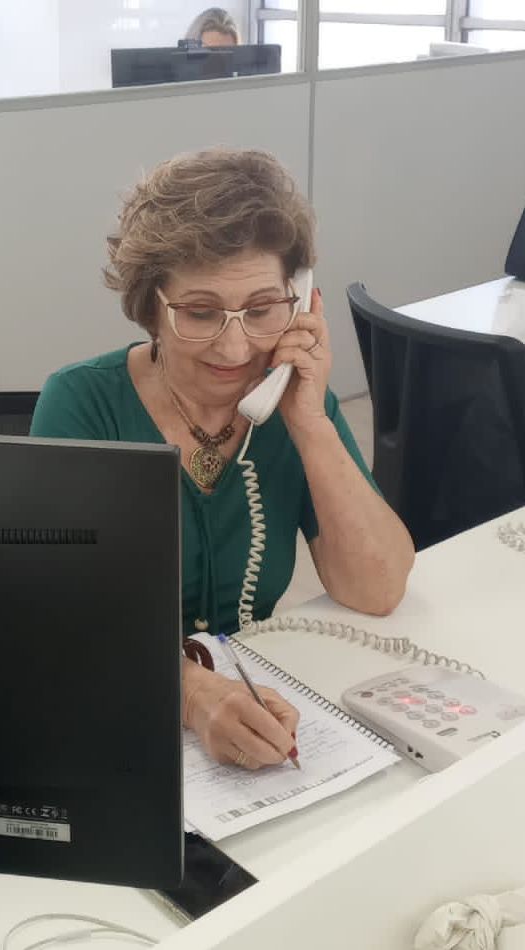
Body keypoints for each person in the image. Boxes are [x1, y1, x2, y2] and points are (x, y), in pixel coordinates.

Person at [30, 149, 415, 771]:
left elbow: (376, 589)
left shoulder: (290, 400)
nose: (235, 346)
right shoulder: (82, 403)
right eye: (201, 312)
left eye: (262, 309)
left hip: (258, 705)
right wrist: (193, 692)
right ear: (150, 307)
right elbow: (53, 615)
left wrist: (310, 421)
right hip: (110, 715)